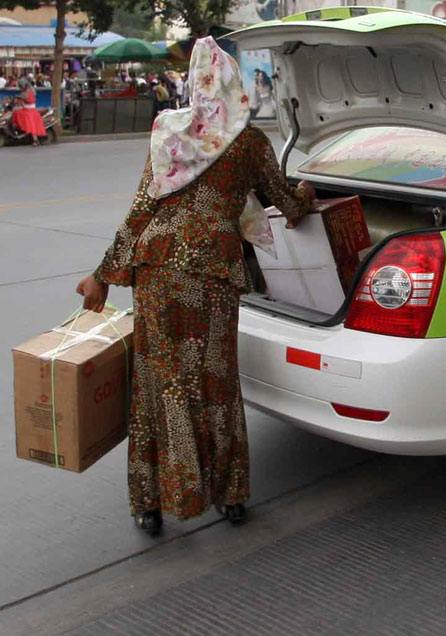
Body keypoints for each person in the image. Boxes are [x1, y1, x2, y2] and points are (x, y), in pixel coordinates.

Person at [75, 36, 317, 535]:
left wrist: (101, 275)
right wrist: (305, 197)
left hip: (157, 272)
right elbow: (284, 203)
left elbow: (142, 210)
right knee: (216, 383)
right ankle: (229, 496)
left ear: (193, 87)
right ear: (232, 86)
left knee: (159, 385)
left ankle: (150, 503)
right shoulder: (249, 142)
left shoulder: (169, 135)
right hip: (210, 274)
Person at [11, 77, 47, 146]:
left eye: (20, 85)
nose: (20, 87)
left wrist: (19, 98)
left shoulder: (28, 91)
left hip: (30, 111)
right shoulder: (29, 90)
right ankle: (18, 129)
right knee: (15, 111)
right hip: (27, 109)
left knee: (30, 125)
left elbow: (26, 98)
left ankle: (35, 140)